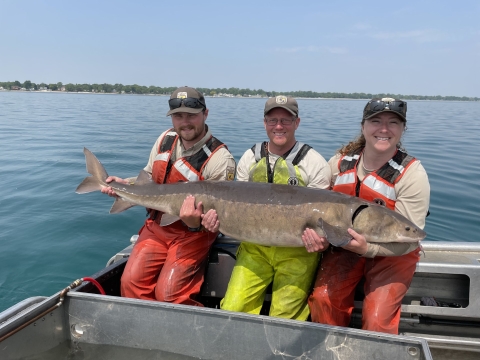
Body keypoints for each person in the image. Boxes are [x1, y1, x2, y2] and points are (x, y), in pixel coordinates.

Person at [304, 97, 430, 334]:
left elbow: (411, 239)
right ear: (363, 127)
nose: (384, 129)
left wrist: (368, 249)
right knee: (323, 301)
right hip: (345, 248)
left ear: (403, 129)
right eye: (376, 121)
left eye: (393, 122)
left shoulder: (412, 174)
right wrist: (318, 238)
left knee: (377, 321)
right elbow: (313, 208)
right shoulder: (338, 164)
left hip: (393, 256)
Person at [102, 86, 236, 306]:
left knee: (170, 294)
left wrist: (195, 223)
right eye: (178, 116)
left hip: (194, 234)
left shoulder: (220, 159)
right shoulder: (165, 138)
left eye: (191, 116)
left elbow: (219, 217)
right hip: (157, 227)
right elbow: (148, 178)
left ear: (205, 114)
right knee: (130, 283)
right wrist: (125, 185)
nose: (185, 122)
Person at [201, 95, 331, 320]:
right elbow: (234, 207)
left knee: (285, 319)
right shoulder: (250, 158)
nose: (278, 126)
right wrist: (212, 222)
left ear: (297, 123)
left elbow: (326, 217)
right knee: (232, 309)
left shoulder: (315, 163)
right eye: (272, 120)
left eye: (285, 120)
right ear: (264, 123)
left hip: (298, 253)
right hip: (254, 249)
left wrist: (324, 241)